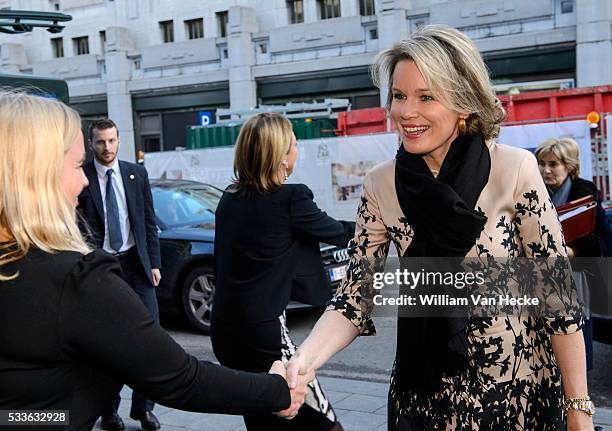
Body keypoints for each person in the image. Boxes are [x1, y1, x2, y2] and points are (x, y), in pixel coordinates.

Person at [284, 25, 594, 430]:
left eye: (426, 97)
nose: (405, 111)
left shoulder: (513, 169)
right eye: (398, 96)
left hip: (516, 396)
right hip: (424, 400)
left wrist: (579, 409)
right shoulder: (381, 184)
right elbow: (354, 300)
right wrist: (302, 362)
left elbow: (557, 299)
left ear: (464, 103)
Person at [0, 90, 313, 431]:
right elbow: (179, 377)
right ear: (35, 174)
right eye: (77, 166)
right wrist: (279, 390)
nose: (85, 180)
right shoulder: (75, 282)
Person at [211, 112, 355, 431]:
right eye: (294, 143)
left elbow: (220, 261)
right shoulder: (290, 198)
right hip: (264, 334)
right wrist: (386, 227)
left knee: (261, 415)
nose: (297, 148)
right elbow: (338, 232)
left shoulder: (229, 198)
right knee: (323, 420)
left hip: (224, 331)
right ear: (281, 157)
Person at [76, 118, 162, 431]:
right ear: (91, 143)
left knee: (150, 339)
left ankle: (144, 408)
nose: (107, 148)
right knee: (106, 343)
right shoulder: (81, 176)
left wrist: (154, 262)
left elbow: (148, 221)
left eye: (111, 141)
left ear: (119, 140)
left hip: (137, 266)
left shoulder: (136, 173)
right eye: (100, 142)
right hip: (101, 268)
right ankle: (108, 411)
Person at [535, 137, 612, 371]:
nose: (546, 170)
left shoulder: (585, 191)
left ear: (569, 166)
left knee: (575, 356)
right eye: (541, 163)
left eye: (553, 164)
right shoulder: (529, 190)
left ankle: (577, 401)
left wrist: (574, 251)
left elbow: (605, 240)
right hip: (537, 282)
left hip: (576, 282)